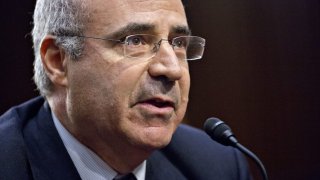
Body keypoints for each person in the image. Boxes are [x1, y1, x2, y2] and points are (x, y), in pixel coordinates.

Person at [0, 0, 251, 179]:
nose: (172, 69)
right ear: (58, 60)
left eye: (179, 43)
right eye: (135, 41)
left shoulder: (216, 165)